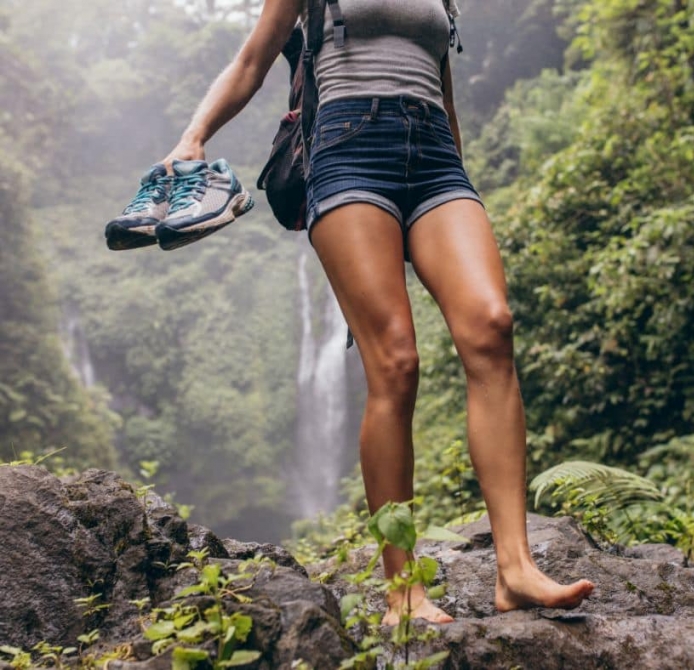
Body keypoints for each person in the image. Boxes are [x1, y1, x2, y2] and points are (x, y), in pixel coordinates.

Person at [163, 0, 594, 625]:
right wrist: (193, 136)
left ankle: (516, 570)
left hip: (438, 158)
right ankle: (404, 592)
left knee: (491, 327)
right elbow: (252, 61)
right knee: (395, 362)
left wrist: (456, 179)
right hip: (349, 147)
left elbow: (442, 86)